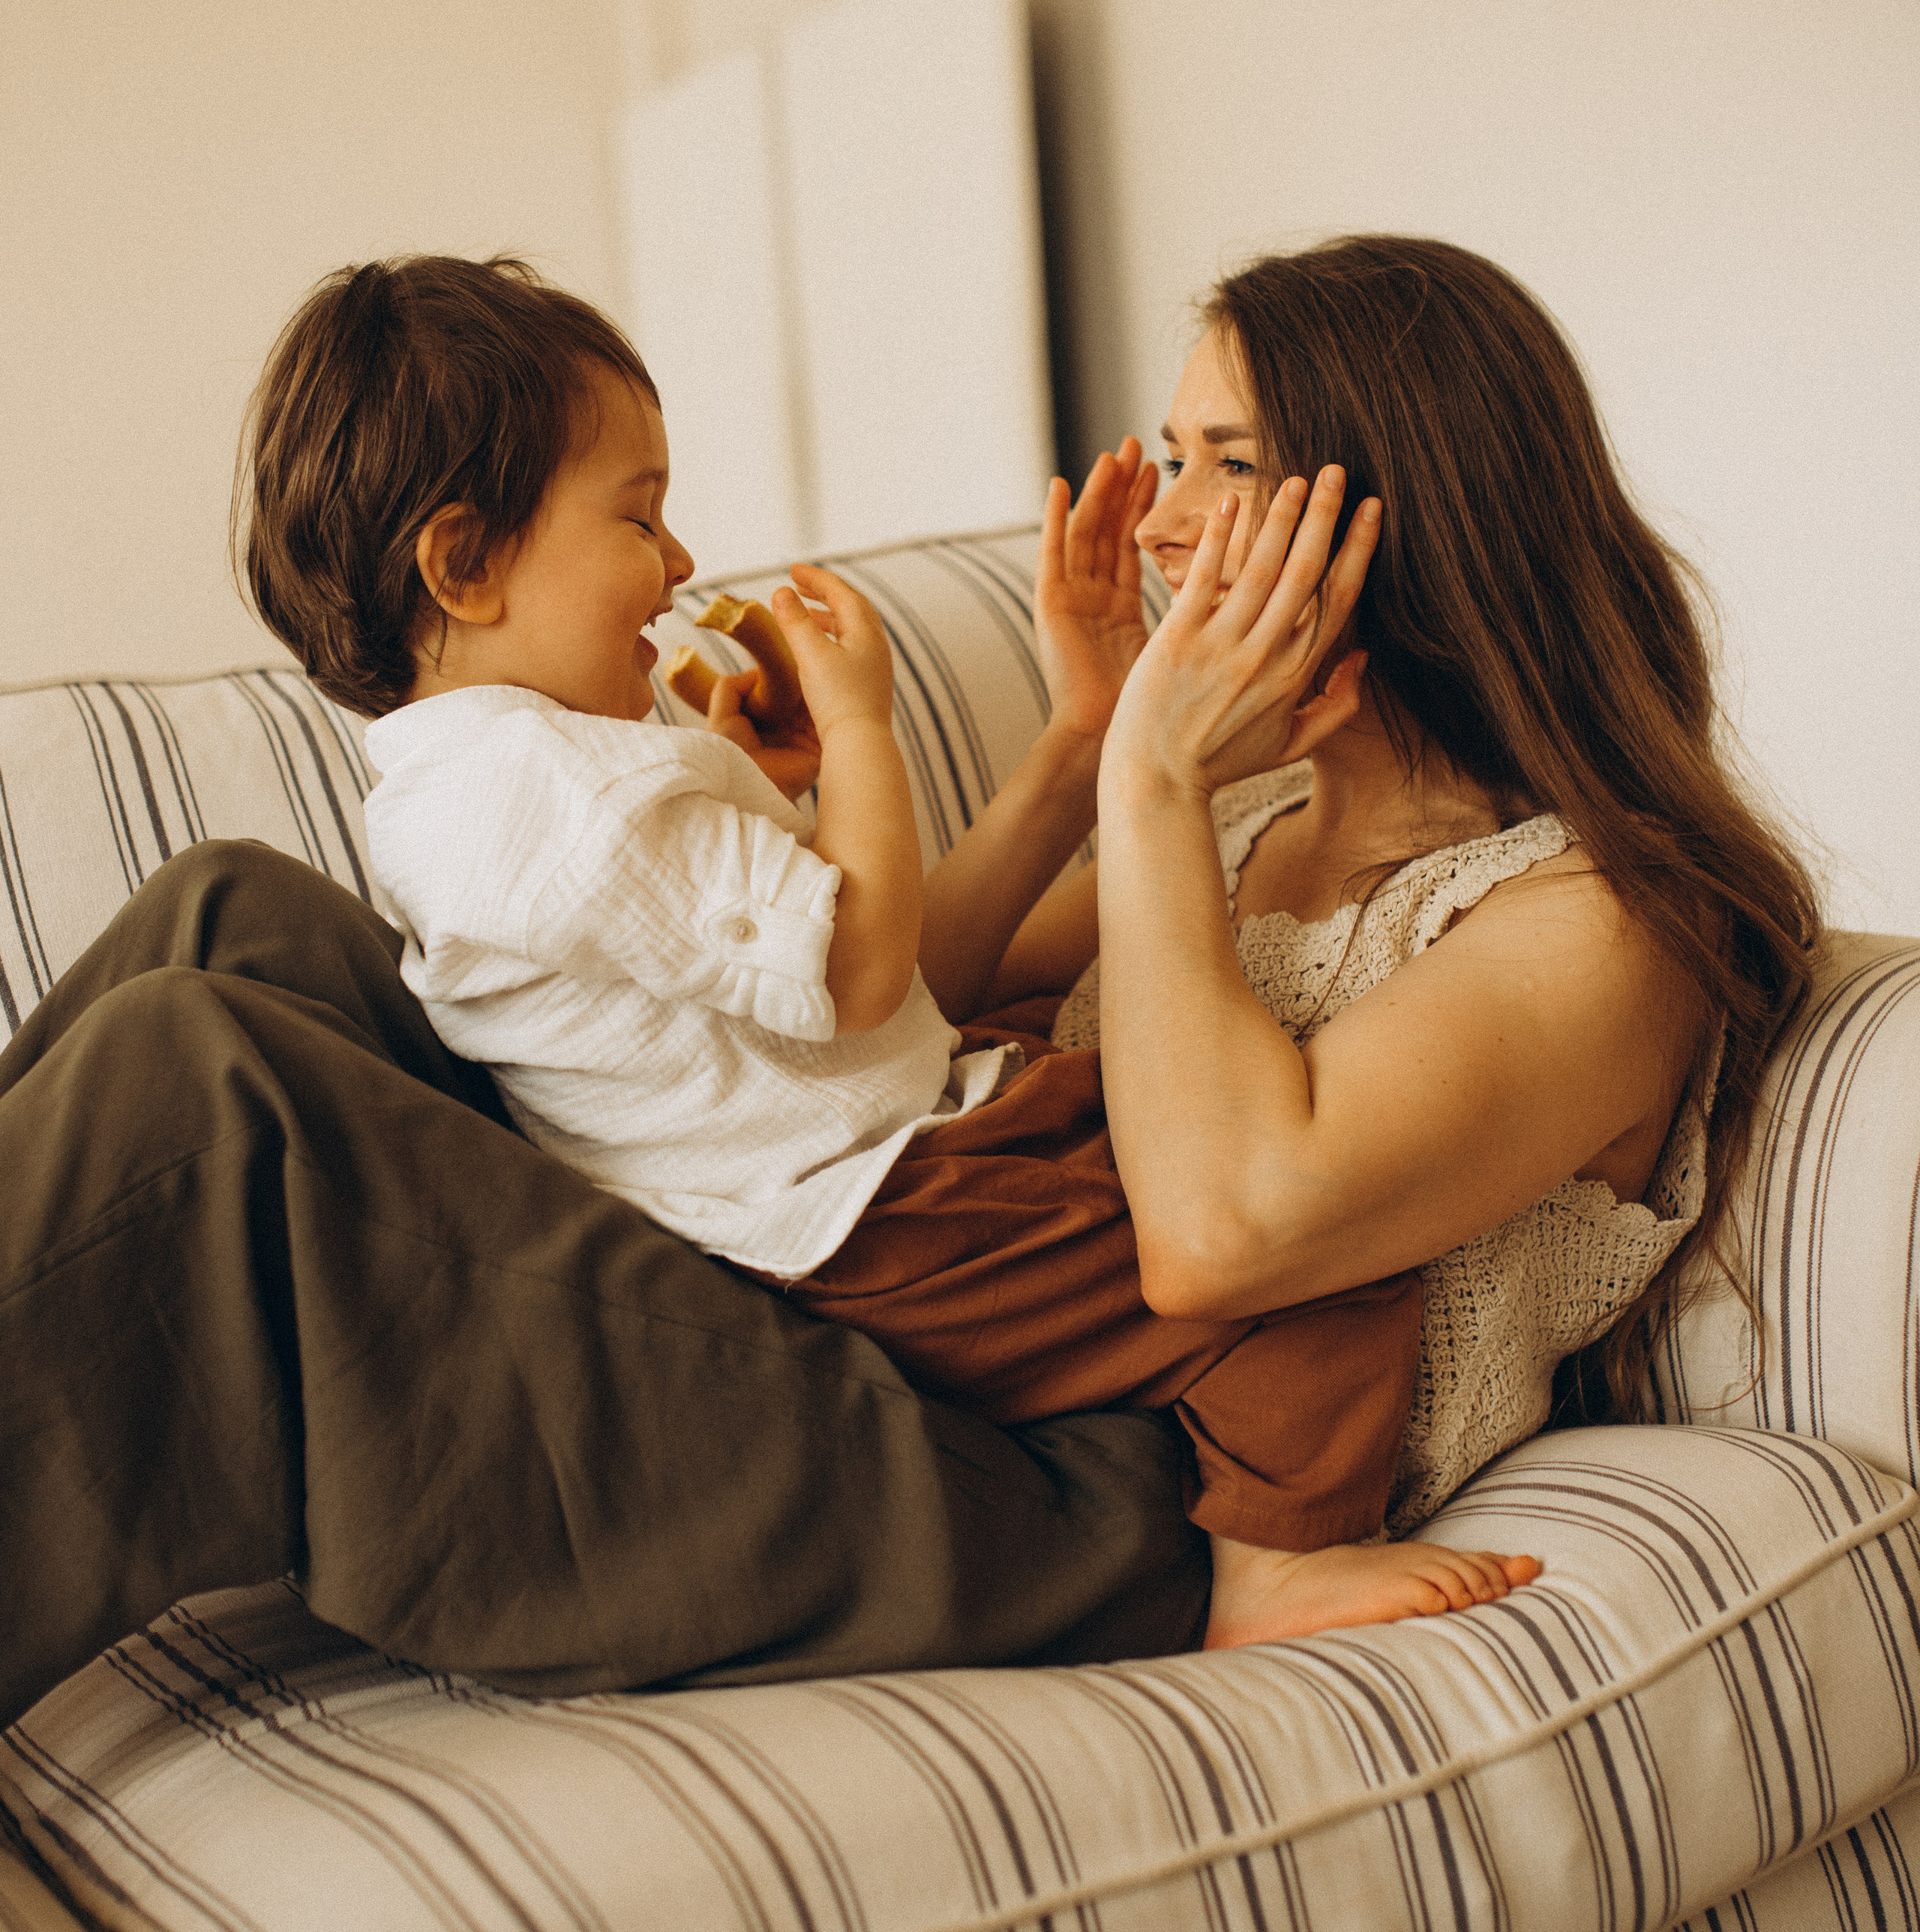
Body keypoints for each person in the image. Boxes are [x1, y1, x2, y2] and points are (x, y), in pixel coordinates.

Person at [248, 255, 1532, 1646]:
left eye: (1223, 462)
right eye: (641, 517)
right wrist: (874, 731)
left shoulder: (516, 778)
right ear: (462, 563)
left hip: (861, 1165)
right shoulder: (568, 795)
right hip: (864, 1207)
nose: (1162, 520)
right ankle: (1274, 1564)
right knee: (1329, 1264)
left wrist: (1089, 744)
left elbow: (882, 983)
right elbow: (878, 971)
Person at [910, 233, 1819, 1641]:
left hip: (1112, 1500)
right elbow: (886, 1009)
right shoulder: (1243, 820)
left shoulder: (1604, 921)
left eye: (1233, 466)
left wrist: (1151, 781)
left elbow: (1219, 1240)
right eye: (1172, 456)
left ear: (1411, 508)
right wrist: (1086, 744)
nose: (1160, 523)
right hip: (947, 1361)